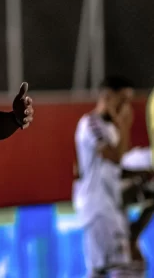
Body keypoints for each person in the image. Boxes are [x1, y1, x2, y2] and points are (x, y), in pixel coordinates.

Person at [73, 76, 138, 278]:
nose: (127, 107)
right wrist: (124, 124)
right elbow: (116, 157)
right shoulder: (91, 123)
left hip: (109, 206)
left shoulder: (110, 127)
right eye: (123, 100)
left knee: (100, 271)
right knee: (122, 270)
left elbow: (120, 163)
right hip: (99, 209)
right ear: (108, 96)